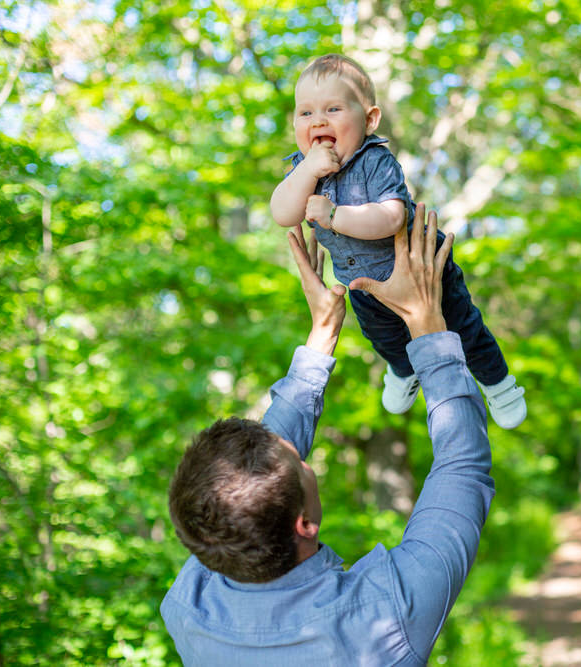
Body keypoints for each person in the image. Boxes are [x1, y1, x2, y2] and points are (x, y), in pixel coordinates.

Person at [161, 205, 496, 665]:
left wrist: (321, 336)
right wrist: (426, 323)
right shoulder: (384, 618)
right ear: (304, 524)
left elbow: (251, 481)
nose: (301, 456)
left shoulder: (190, 603)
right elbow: (463, 466)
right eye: (300, 464)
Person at [269, 53, 526, 429]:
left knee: (463, 330)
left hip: (422, 271)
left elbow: (393, 216)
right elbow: (282, 213)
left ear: (369, 119)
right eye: (305, 113)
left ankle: (499, 384)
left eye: (334, 109)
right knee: (384, 337)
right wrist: (308, 169)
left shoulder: (375, 161)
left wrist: (335, 217)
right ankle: (404, 371)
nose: (318, 120)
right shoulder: (303, 170)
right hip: (365, 287)